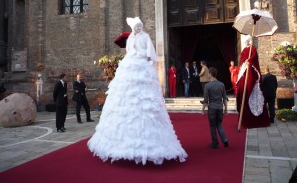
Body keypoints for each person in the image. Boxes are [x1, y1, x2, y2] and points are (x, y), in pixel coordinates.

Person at [87, 17, 187, 165]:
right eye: (136, 27)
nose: (138, 29)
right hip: (130, 64)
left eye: (140, 26)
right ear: (133, 28)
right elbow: (128, 51)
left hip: (141, 65)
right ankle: (121, 145)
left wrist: (147, 60)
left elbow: (150, 51)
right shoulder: (131, 38)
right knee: (126, 100)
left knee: (143, 100)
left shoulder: (146, 36)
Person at [236, 35, 270, 128]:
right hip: (245, 69)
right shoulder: (244, 50)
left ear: (250, 40)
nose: (246, 42)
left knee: (251, 86)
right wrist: (244, 61)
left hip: (251, 70)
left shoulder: (253, 48)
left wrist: (250, 60)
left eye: (247, 40)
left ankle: (256, 119)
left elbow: (254, 58)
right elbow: (241, 59)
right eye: (245, 41)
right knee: (242, 87)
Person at [202, 67, 229, 149]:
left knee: (212, 126)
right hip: (220, 107)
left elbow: (206, 100)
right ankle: (225, 140)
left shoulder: (207, 85)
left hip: (212, 108)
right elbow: (224, 98)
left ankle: (215, 143)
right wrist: (226, 109)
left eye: (208, 73)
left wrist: (203, 109)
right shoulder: (221, 84)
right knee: (219, 124)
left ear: (210, 74)